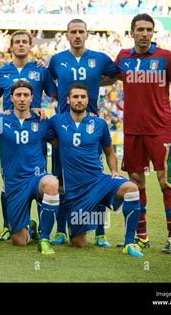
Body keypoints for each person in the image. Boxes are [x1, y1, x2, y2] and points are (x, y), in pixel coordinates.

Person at [114, 13, 171, 254]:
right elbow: (107, 77)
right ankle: (142, 237)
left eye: (149, 29)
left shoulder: (165, 57)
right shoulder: (123, 58)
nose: (145, 33)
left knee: (166, 182)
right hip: (132, 131)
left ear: (153, 33)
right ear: (132, 33)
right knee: (136, 183)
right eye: (140, 29)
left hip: (160, 130)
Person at [48, 84, 144, 257]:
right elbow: (40, 131)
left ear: (88, 100)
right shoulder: (56, 121)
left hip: (99, 181)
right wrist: (36, 112)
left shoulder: (99, 124)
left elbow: (109, 152)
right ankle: (81, 227)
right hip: (76, 191)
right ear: (68, 100)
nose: (79, 100)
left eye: (83, 97)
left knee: (131, 188)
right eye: (75, 97)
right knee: (78, 243)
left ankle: (130, 242)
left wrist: (114, 170)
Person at [48, 19, 120, 247]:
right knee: (60, 180)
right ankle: (60, 230)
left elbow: (115, 75)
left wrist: (99, 82)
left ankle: (100, 232)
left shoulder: (99, 59)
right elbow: (48, 82)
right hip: (63, 128)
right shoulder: (57, 60)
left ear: (87, 34)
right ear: (66, 35)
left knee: (95, 180)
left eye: (81, 32)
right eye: (73, 32)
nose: (77, 35)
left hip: (90, 130)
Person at [0, 80, 59, 255]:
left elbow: (58, 142)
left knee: (51, 183)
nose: (22, 98)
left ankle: (45, 238)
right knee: (19, 241)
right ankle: (30, 228)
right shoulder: (1, 120)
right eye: (18, 95)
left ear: (32, 98)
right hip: (15, 183)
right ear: (11, 98)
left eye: (26, 95)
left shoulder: (42, 121)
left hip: (37, 178)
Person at [0, 30, 57, 240]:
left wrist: (44, 111)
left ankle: (42, 229)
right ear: (11, 47)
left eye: (24, 42)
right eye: (17, 42)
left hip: (34, 129)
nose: (21, 45)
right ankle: (9, 224)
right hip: (9, 131)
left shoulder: (40, 71)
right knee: (7, 180)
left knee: (39, 175)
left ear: (30, 45)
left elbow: (56, 94)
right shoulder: (1, 72)